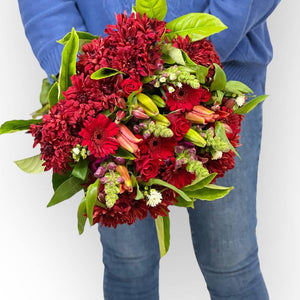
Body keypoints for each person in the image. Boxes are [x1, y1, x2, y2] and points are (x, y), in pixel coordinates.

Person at [18, 0, 280, 299]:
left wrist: (194, 57)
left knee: (231, 263)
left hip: (224, 82)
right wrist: (83, 74)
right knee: (128, 263)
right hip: (105, 91)